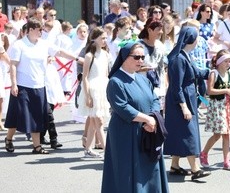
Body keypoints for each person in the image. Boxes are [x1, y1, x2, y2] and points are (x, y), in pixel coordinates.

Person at [102, 42, 169, 193]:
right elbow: (122, 108)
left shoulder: (144, 79)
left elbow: (155, 100)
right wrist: (147, 119)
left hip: (148, 129)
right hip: (125, 133)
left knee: (149, 169)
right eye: (136, 57)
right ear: (125, 58)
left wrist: (152, 117)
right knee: (126, 172)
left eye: (142, 57)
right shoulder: (115, 82)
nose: (140, 60)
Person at [4, 19, 78, 154]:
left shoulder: (44, 44)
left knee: (36, 116)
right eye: (39, 30)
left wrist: (77, 59)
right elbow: (13, 65)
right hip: (22, 85)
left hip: (39, 86)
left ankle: (37, 146)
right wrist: (14, 83)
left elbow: (60, 52)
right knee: (17, 115)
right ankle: (9, 138)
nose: (41, 32)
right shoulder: (19, 45)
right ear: (31, 30)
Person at [164, 26, 210, 181]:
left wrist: (212, 70)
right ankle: (195, 169)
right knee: (188, 132)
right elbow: (176, 86)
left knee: (180, 132)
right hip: (180, 100)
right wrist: (183, 106)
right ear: (192, 40)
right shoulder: (178, 59)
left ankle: (175, 165)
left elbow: (197, 73)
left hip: (187, 98)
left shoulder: (185, 55)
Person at [200, 49, 230, 170]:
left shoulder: (229, 73)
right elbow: (210, 91)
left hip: (226, 105)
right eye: (226, 61)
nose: (228, 64)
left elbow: (228, 86)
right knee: (217, 135)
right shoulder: (214, 73)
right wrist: (225, 90)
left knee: (226, 134)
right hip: (217, 106)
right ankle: (204, 153)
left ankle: (226, 161)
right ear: (219, 62)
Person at [77, 27, 111, 158]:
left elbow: (106, 74)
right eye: (102, 38)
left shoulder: (106, 54)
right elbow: (85, 77)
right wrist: (88, 96)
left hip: (103, 88)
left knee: (92, 121)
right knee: (99, 121)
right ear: (94, 39)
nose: (105, 40)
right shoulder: (89, 55)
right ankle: (108, 153)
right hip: (92, 89)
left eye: (106, 38)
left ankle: (88, 149)